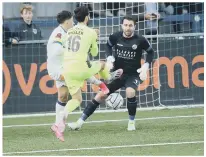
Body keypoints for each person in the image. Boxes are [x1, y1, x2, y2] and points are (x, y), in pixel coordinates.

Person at [68, 15, 154, 131]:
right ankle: (79, 122)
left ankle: (131, 122)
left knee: (130, 92)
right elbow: (108, 46)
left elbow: (150, 52)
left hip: (133, 74)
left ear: (135, 26)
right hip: (117, 74)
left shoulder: (140, 40)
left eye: (130, 25)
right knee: (100, 95)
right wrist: (109, 57)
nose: (128, 28)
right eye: (126, 25)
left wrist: (146, 65)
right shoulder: (115, 37)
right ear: (121, 25)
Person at [52, 6, 123, 142]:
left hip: (67, 70)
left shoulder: (68, 31)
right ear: (87, 17)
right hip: (81, 68)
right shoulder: (91, 32)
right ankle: (108, 78)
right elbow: (95, 53)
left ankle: (61, 118)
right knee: (102, 63)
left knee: (77, 99)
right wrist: (95, 37)